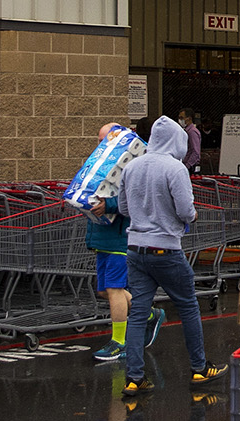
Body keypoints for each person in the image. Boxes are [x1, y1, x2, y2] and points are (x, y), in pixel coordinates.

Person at [117, 116, 227, 404]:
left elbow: (125, 208)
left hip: (136, 248)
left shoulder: (131, 167)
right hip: (166, 248)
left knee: (138, 314)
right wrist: (190, 217)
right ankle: (199, 368)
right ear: (177, 141)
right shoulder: (175, 168)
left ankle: (134, 378)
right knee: (188, 306)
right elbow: (185, 210)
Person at [86, 123, 165, 362]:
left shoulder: (133, 166)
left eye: (105, 140)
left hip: (120, 237)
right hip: (102, 235)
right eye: (100, 140)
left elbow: (136, 200)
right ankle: (151, 314)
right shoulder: (103, 166)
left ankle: (119, 342)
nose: (101, 145)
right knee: (104, 291)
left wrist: (108, 206)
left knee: (114, 289)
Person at [177, 109, 202, 175]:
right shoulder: (186, 131)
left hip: (191, 167)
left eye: (182, 118)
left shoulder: (192, 132)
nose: (180, 120)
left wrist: (187, 166)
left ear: (189, 118)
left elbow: (195, 151)